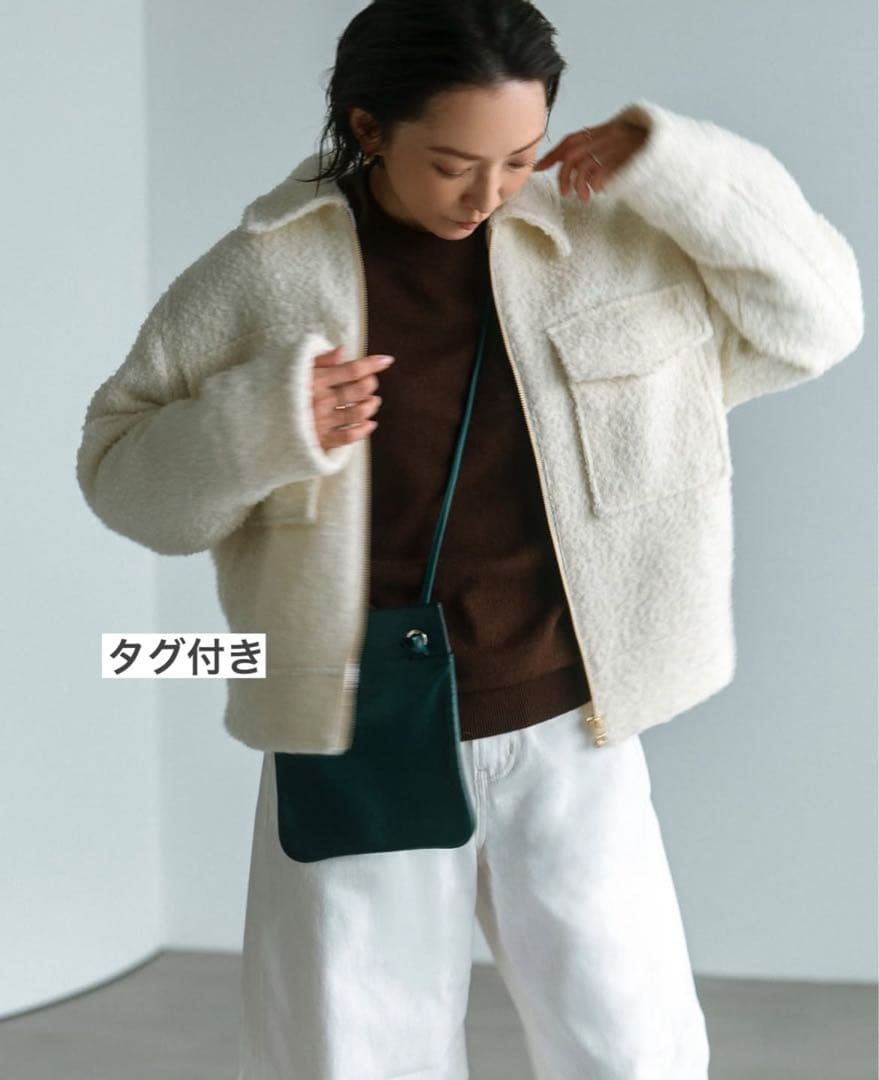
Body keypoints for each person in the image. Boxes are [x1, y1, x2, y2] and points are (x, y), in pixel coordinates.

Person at [75, 1, 864, 1077]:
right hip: (360, 726)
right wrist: (265, 424)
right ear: (368, 127)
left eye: (520, 156)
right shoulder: (264, 273)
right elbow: (121, 480)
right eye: (453, 164)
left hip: (574, 722)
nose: (489, 193)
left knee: (635, 1052)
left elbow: (818, 322)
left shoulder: (602, 234)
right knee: (356, 1056)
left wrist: (683, 169)